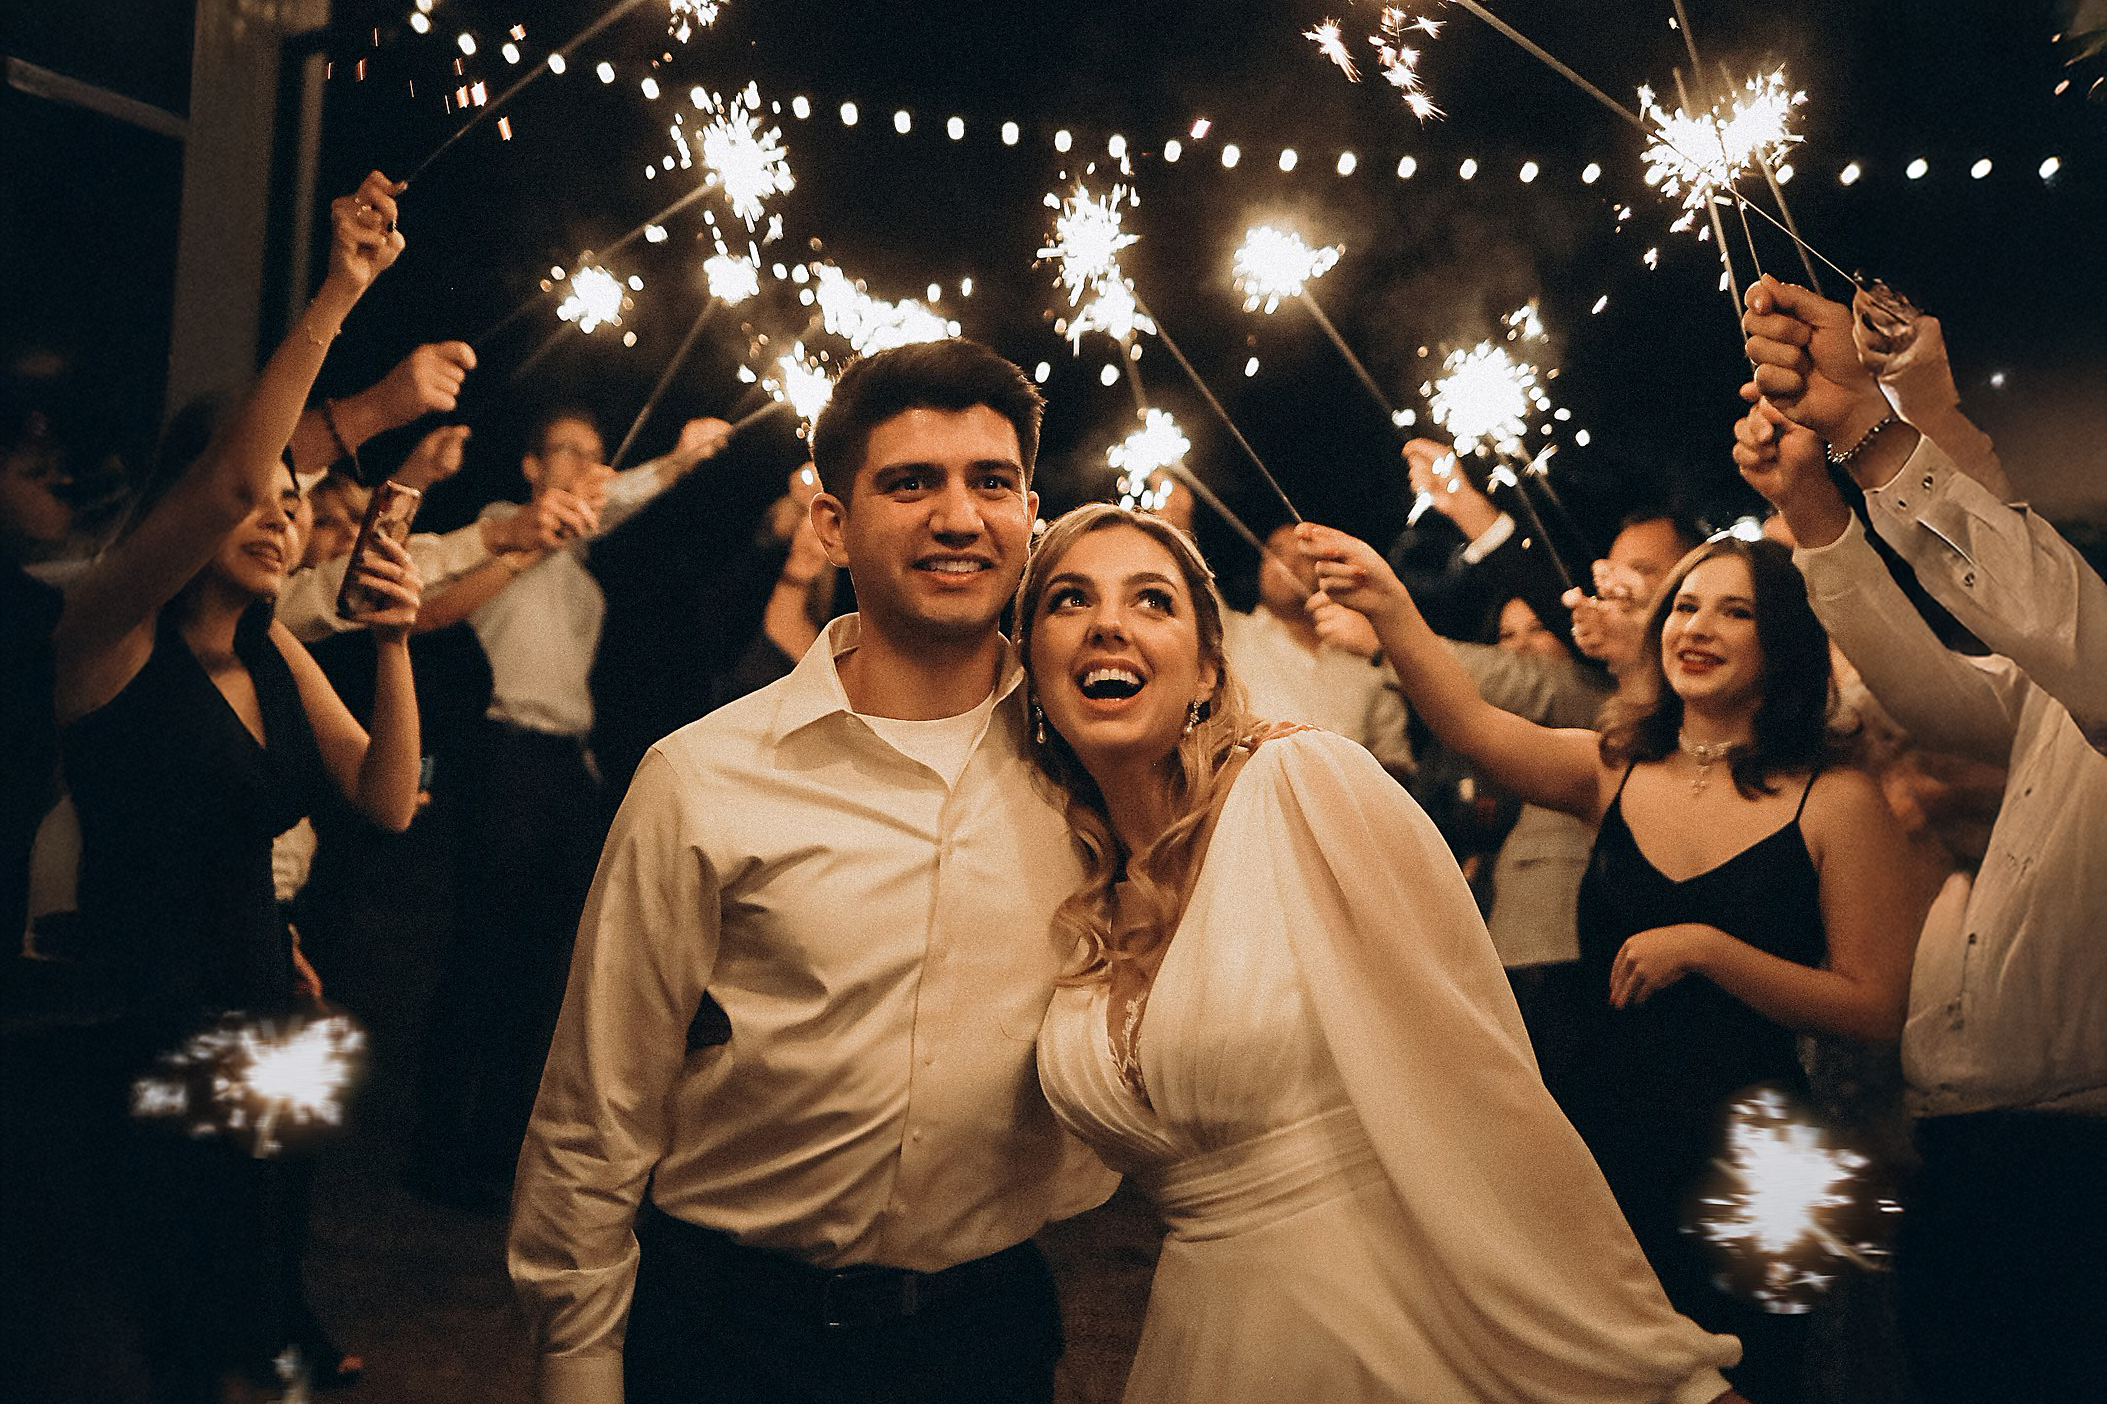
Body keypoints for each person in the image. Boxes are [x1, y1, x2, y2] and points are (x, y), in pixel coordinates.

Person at [1018, 502, 1745, 1404]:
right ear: (1031, 663)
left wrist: (1638, 1358)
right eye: (1068, 600)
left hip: (1393, 1331)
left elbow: (1477, 1086)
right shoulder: (1063, 891)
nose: (1108, 625)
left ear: (1210, 668)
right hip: (1200, 1346)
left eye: (1152, 600)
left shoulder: (1299, 784)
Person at [509, 339, 1116, 1404]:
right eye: (910, 482)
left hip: (987, 1338)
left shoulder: (1101, 779)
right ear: (830, 523)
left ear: (1031, 514)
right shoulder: (702, 778)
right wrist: (577, 1360)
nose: (958, 516)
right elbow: (596, 1109)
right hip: (732, 1338)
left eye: (992, 482)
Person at [1301, 521, 1922, 1402]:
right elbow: (1473, 726)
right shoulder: (1613, 770)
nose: (1694, 628)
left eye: (1733, 612)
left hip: (1760, 1154)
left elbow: (1870, 1005)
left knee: (1758, 1379)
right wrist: (1393, 611)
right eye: (1685, 606)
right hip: (1603, 1131)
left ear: (1780, 642)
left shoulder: (1836, 799)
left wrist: (1709, 951)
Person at [49, 171, 422, 1401]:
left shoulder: (276, 653)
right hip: (142, 1024)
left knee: (250, 1318)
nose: (280, 514)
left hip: (266, 1010)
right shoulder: (107, 631)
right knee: (151, 1329)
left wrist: (395, 642)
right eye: (260, 493)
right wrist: (340, 292)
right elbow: (223, 477)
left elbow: (384, 798)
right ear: (193, 498)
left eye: (298, 501)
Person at [1733, 273, 2107, 1403]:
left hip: (2076, 1160)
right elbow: (1929, 690)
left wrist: (1871, 429)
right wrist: (1816, 514)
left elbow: (2045, 605)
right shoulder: (2055, 684)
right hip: (1972, 1136)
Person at [410, 403, 730, 1207]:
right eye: (568, 451)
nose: (589, 464)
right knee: (480, 951)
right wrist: (679, 462)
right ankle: (437, 1150)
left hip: (562, 770)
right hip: (500, 755)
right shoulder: (500, 529)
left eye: (597, 451)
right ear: (529, 465)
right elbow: (597, 504)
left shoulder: (579, 569)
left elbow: (603, 507)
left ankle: (496, 1151)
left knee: (540, 964)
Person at [1219, 519, 1413, 782]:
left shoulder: (1364, 652)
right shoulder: (1229, 634)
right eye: (1275, 553)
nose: (1286, 564)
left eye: (1303, 556)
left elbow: (1396, 761)